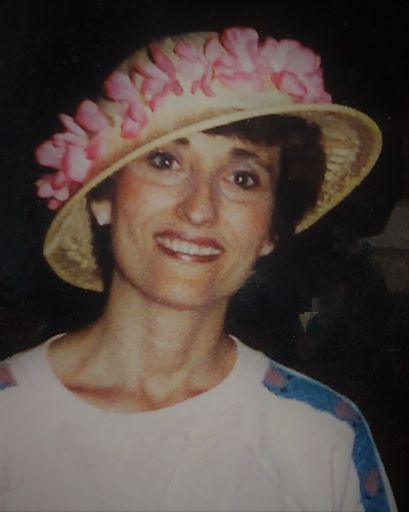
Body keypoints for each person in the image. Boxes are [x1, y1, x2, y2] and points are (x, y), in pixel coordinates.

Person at [0, 27, 397, 511]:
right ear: (103, 197)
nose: (199, 209)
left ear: (271, 230)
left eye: (242, 178)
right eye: (165, 161)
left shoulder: (322, 438)